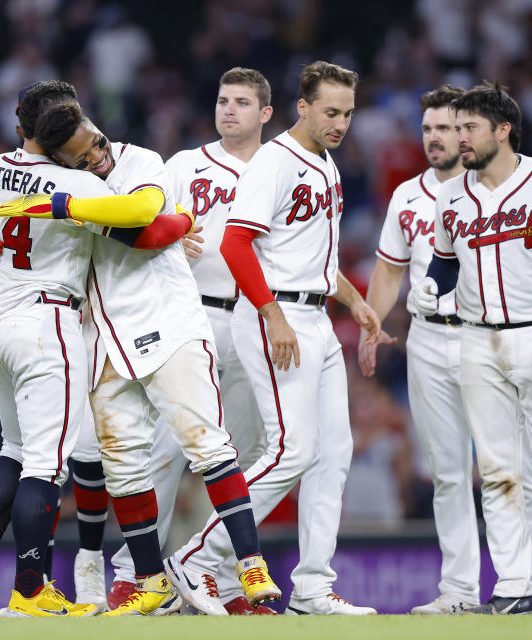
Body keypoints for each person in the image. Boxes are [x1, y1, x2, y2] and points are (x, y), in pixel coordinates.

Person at [3, 100, 281, 617]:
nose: (99, 159)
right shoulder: (73, 185)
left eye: (98, 143)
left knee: (208, 445)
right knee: (124, 465)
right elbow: (154, 230)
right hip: (110, 338)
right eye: (84, 158)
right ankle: (151, 580)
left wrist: (65, 207)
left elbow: (145, 225)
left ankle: (251, 563)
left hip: (171, 323)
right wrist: (176, 223)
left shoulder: (141, 161)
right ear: (65, 162)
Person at [0, 81, 192, 618]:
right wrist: (184, 221)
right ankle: (31, 589)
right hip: (46, 322)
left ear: (20, 126)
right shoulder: (71, 181)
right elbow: (144, 217)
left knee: (13, 449)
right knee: (46, 463)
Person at [360, 84, 532, 614]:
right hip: (471, 338)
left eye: (466, 127)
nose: (456, 138)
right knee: (492, 470)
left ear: (502, 129)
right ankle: (508, 585)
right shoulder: (445, 196)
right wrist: (428, 291)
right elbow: (438, 263)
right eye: (449, 128)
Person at [164, 60, 381, 616]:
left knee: (333, 455)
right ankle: (195, 555)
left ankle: (313, 586)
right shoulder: (276, 162)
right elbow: (236, 246)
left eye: (348, 113)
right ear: (301, 107)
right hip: (274, 316)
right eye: (330, 111)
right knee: (290, 452)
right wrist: (272, 315)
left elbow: (317, 257)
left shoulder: (325, 164)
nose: (341, 123)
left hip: (315, 319)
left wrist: (356, 303)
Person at [105, 66, 276, 615]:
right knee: (165, 453)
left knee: (241, 454)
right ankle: (136, 574)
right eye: (223, 99)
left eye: (242, 102)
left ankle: (221, 580)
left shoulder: (282, 168)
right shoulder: (185, 165)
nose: (229, 109)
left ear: (265, 113)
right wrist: (172, 243)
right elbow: (142, 231)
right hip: (188, 317)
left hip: (255, 320)